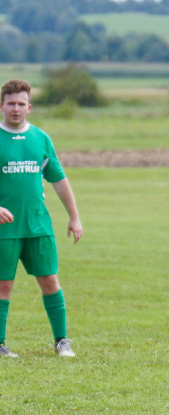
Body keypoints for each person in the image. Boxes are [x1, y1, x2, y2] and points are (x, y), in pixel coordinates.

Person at [0, 79, 82, 359]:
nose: (15, 109)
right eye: (10, 103)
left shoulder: (41, 139)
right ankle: (0, 345)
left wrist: (74, 217)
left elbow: (58, 179)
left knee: (50, 280)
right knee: (3, 285)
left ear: (29, 107)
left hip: (38, 225)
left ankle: (61, 341)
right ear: (2, 106)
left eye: (21, 104)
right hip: (5, 228)